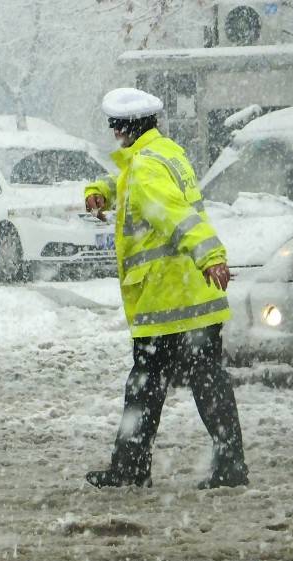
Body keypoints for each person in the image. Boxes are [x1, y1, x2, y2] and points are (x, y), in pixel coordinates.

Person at [83, 87, 248, 489]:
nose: (114, 137)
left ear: (127, 129)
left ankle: (132, 469)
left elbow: (177, 217)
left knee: (149, 384)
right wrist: (99, 191)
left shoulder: (145, 169)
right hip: (191, 297)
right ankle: (227, 466)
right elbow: (127, 181)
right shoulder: (164, 153)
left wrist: (211, 256)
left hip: (169, 301)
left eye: (115, 130)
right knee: (198, 379)